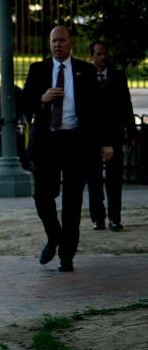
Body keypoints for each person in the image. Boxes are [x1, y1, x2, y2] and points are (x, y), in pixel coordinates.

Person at [22, 25, 113, 271]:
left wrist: (105, 143)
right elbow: (24, 104)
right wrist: (42, 98)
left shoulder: (86, 70)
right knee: (43, 197)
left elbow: (98, 111)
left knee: (72, 202)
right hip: (47, 143)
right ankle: (54, 236)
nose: (57, 45)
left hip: (76, 143)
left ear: (71, 43)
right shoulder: (38, 69)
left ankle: (67, 255)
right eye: (53, 41)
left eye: (62, 41)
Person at [88, 41, 135, 231]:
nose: (103, 57)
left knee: (115, 180)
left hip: (114, 135)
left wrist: (131, 133)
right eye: (99, 54)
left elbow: (127, 106)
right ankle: (98, 218)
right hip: (92, 138)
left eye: (105, 53)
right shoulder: (85, 77)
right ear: (92, 56)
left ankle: (115, 218)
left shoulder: (118, 76)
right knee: (94, 181)